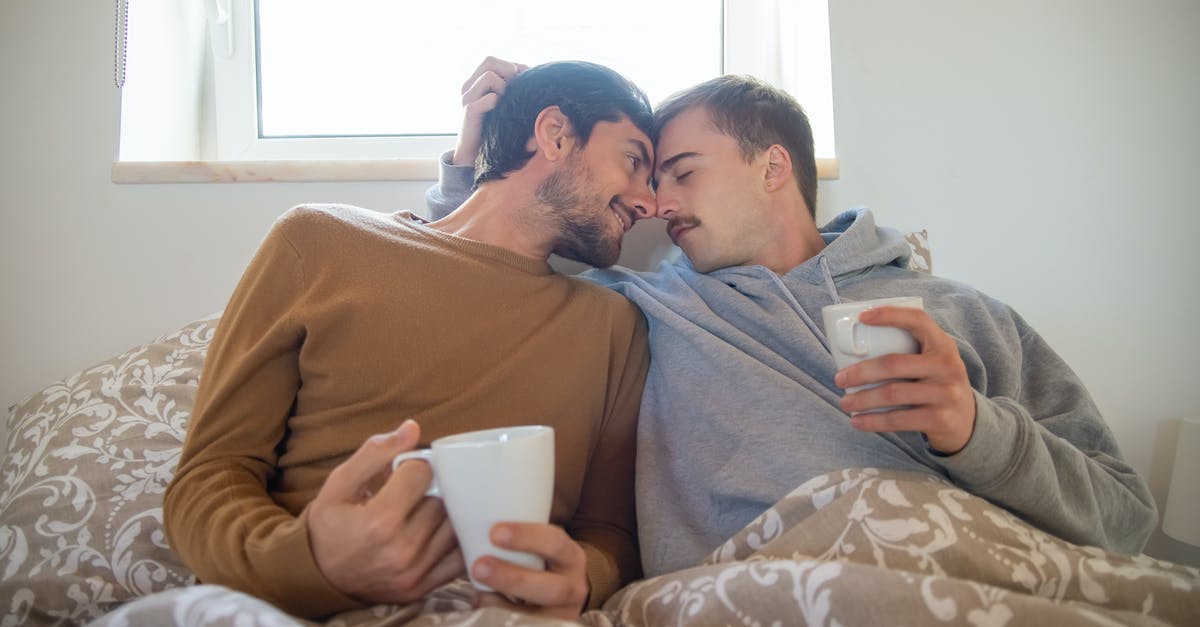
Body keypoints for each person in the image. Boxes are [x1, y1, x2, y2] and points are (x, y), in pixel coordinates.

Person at [429, 66, 1158, 578]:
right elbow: (488, 273)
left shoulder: (966, 312)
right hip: (761, 587)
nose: (658, 204)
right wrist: (479, 159)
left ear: (772, 167)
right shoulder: (652, 306)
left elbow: (1126, 519)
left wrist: (976, 429)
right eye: (651, 180)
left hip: (966, 570)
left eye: (681, 171)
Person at [164, 59, 659, 620]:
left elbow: (610, 532)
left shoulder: (615, 325)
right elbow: (209, 476)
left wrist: (585, 579)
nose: (650, 202)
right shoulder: (319, 243)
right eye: (634, 161)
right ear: (556, 134)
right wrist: (308, 562)